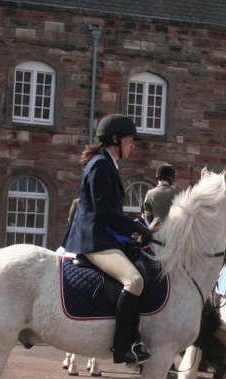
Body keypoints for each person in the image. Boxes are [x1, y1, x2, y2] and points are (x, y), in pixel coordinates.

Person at [61, 113, 153, 365]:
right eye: (130, 139)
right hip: (93, 240)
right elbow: (104, 211)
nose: (133, 144)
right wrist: (133, 226)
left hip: (101, 235)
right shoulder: (101, 165)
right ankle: (123, 346)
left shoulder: (106, 163)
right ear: (115, 139)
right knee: (134, 281)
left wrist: (133, 229)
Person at [142, 163, 181, 228]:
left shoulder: (149, 193)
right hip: (173, 230)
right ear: (171, 178)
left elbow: (147, 216)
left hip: (155, 231)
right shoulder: (178, 192)